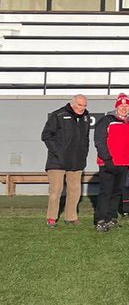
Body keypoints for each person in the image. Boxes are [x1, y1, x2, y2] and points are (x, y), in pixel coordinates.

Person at [42, 94, 93, 227]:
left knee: (75, 191)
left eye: (84, 105)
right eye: (79, 105)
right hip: (57, 161)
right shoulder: (58, 115)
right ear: (72, 104)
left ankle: (71, 217)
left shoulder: (86, 117)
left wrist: (84, 154)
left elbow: (86, 139)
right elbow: (46, 135)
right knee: (56, 190)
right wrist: (58, 152)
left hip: (77, 161)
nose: (82, 108)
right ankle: (51, 218)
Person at [93, 94, 129, 232]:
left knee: (117, 192)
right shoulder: (107, 120)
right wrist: (107, 158)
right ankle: (100, 220)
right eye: (121, 106)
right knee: (106, 192)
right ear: (116, 107)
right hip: (108, 163)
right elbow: (100, 140)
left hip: (124, 164)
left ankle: (111, 217)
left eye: (126, 106)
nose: (124, 108)